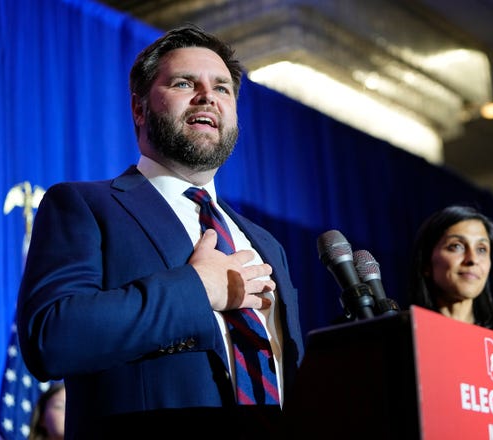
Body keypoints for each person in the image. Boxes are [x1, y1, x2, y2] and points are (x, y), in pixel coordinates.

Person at [16, 25, 304, 439]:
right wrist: (196, 290)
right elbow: (51, 338)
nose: (208, 96)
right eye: (185, 83)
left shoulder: (265, 244)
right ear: (139, 109)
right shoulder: (85, 206)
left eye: (222, 88)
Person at [407, 204, 493, 338]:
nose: (472, 259)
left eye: (481, 249)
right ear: (426, 263)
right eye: (456, 246)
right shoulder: (402, 339)